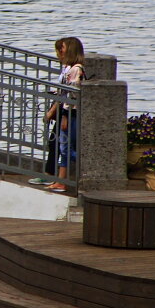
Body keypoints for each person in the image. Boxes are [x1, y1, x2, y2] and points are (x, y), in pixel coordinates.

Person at [42, 36, 86, 193]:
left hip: (70, 112)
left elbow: (72, 95)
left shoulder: (75, 69)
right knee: (63, 145)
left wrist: (65, 116)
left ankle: (62, 181)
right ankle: (59, 179)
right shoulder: (70, 68)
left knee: (65, 146)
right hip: (67, 110)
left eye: (62, 49)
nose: (59, 52)